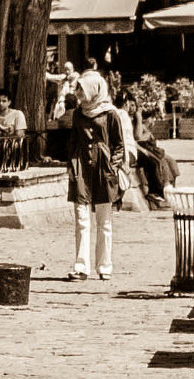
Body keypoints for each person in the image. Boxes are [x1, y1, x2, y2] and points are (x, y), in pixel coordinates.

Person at [66, 72, 124, 282]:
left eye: (81, 88)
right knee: (82, 219)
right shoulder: (78, 114)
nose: (78, 93)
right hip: (81, 166)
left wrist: (113, 168)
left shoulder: (110, 114)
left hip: (103, 168)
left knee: (104, 221)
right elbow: (73, 140)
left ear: (93, 89)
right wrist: (71, 164)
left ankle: (105, 265)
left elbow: (119, 145)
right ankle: (81, 266)